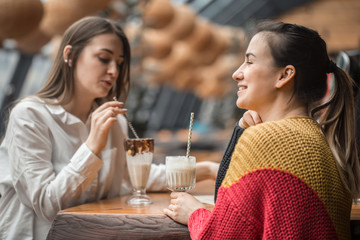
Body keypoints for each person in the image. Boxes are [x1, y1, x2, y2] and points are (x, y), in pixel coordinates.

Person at [0, 16, 218, 240]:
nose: (114, 71)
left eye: (120, 62)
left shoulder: (114, 121)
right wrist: (92, 146)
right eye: (104, 58)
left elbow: (137, 175)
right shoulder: (30, 116)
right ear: (69, 55)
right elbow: (47, 205)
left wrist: (209, 170)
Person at [164, 21, 360, 239]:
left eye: (249, 62)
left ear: (284, 75)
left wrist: (194, 212)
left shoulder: (265, 140)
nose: (237, 74)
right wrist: (240, 129)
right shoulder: (319, 140)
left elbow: (221, 235)